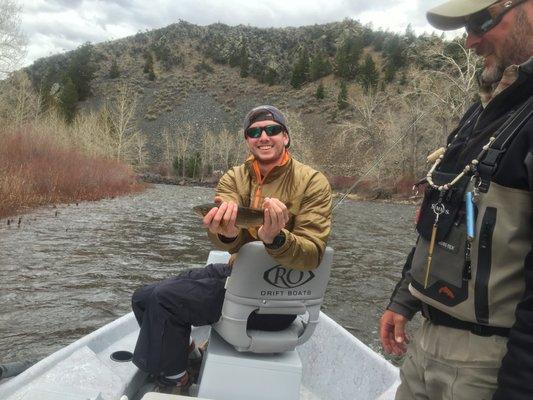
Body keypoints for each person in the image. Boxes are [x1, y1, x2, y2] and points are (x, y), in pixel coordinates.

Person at [380, 0, 533, 399]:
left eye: (482, 21)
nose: (470, 41)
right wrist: (403, 301)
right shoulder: (477, 113)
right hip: (426, 346)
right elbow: (438, 218)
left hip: (492, 364)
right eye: (466, 27)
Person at [131, 105, 332, 393]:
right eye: (254, 132)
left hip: (276, 296)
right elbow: (229, 238)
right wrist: (226, 234)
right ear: (248, 140)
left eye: (272, 130)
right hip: (235, 275)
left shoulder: (313, 182)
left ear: (286, 137)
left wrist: (276, 238)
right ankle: (189, 355)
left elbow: (313, 253)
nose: (263, 136)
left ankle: (176, 378)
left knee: (163, 299)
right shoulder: (234, 177)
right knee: (142, 297)